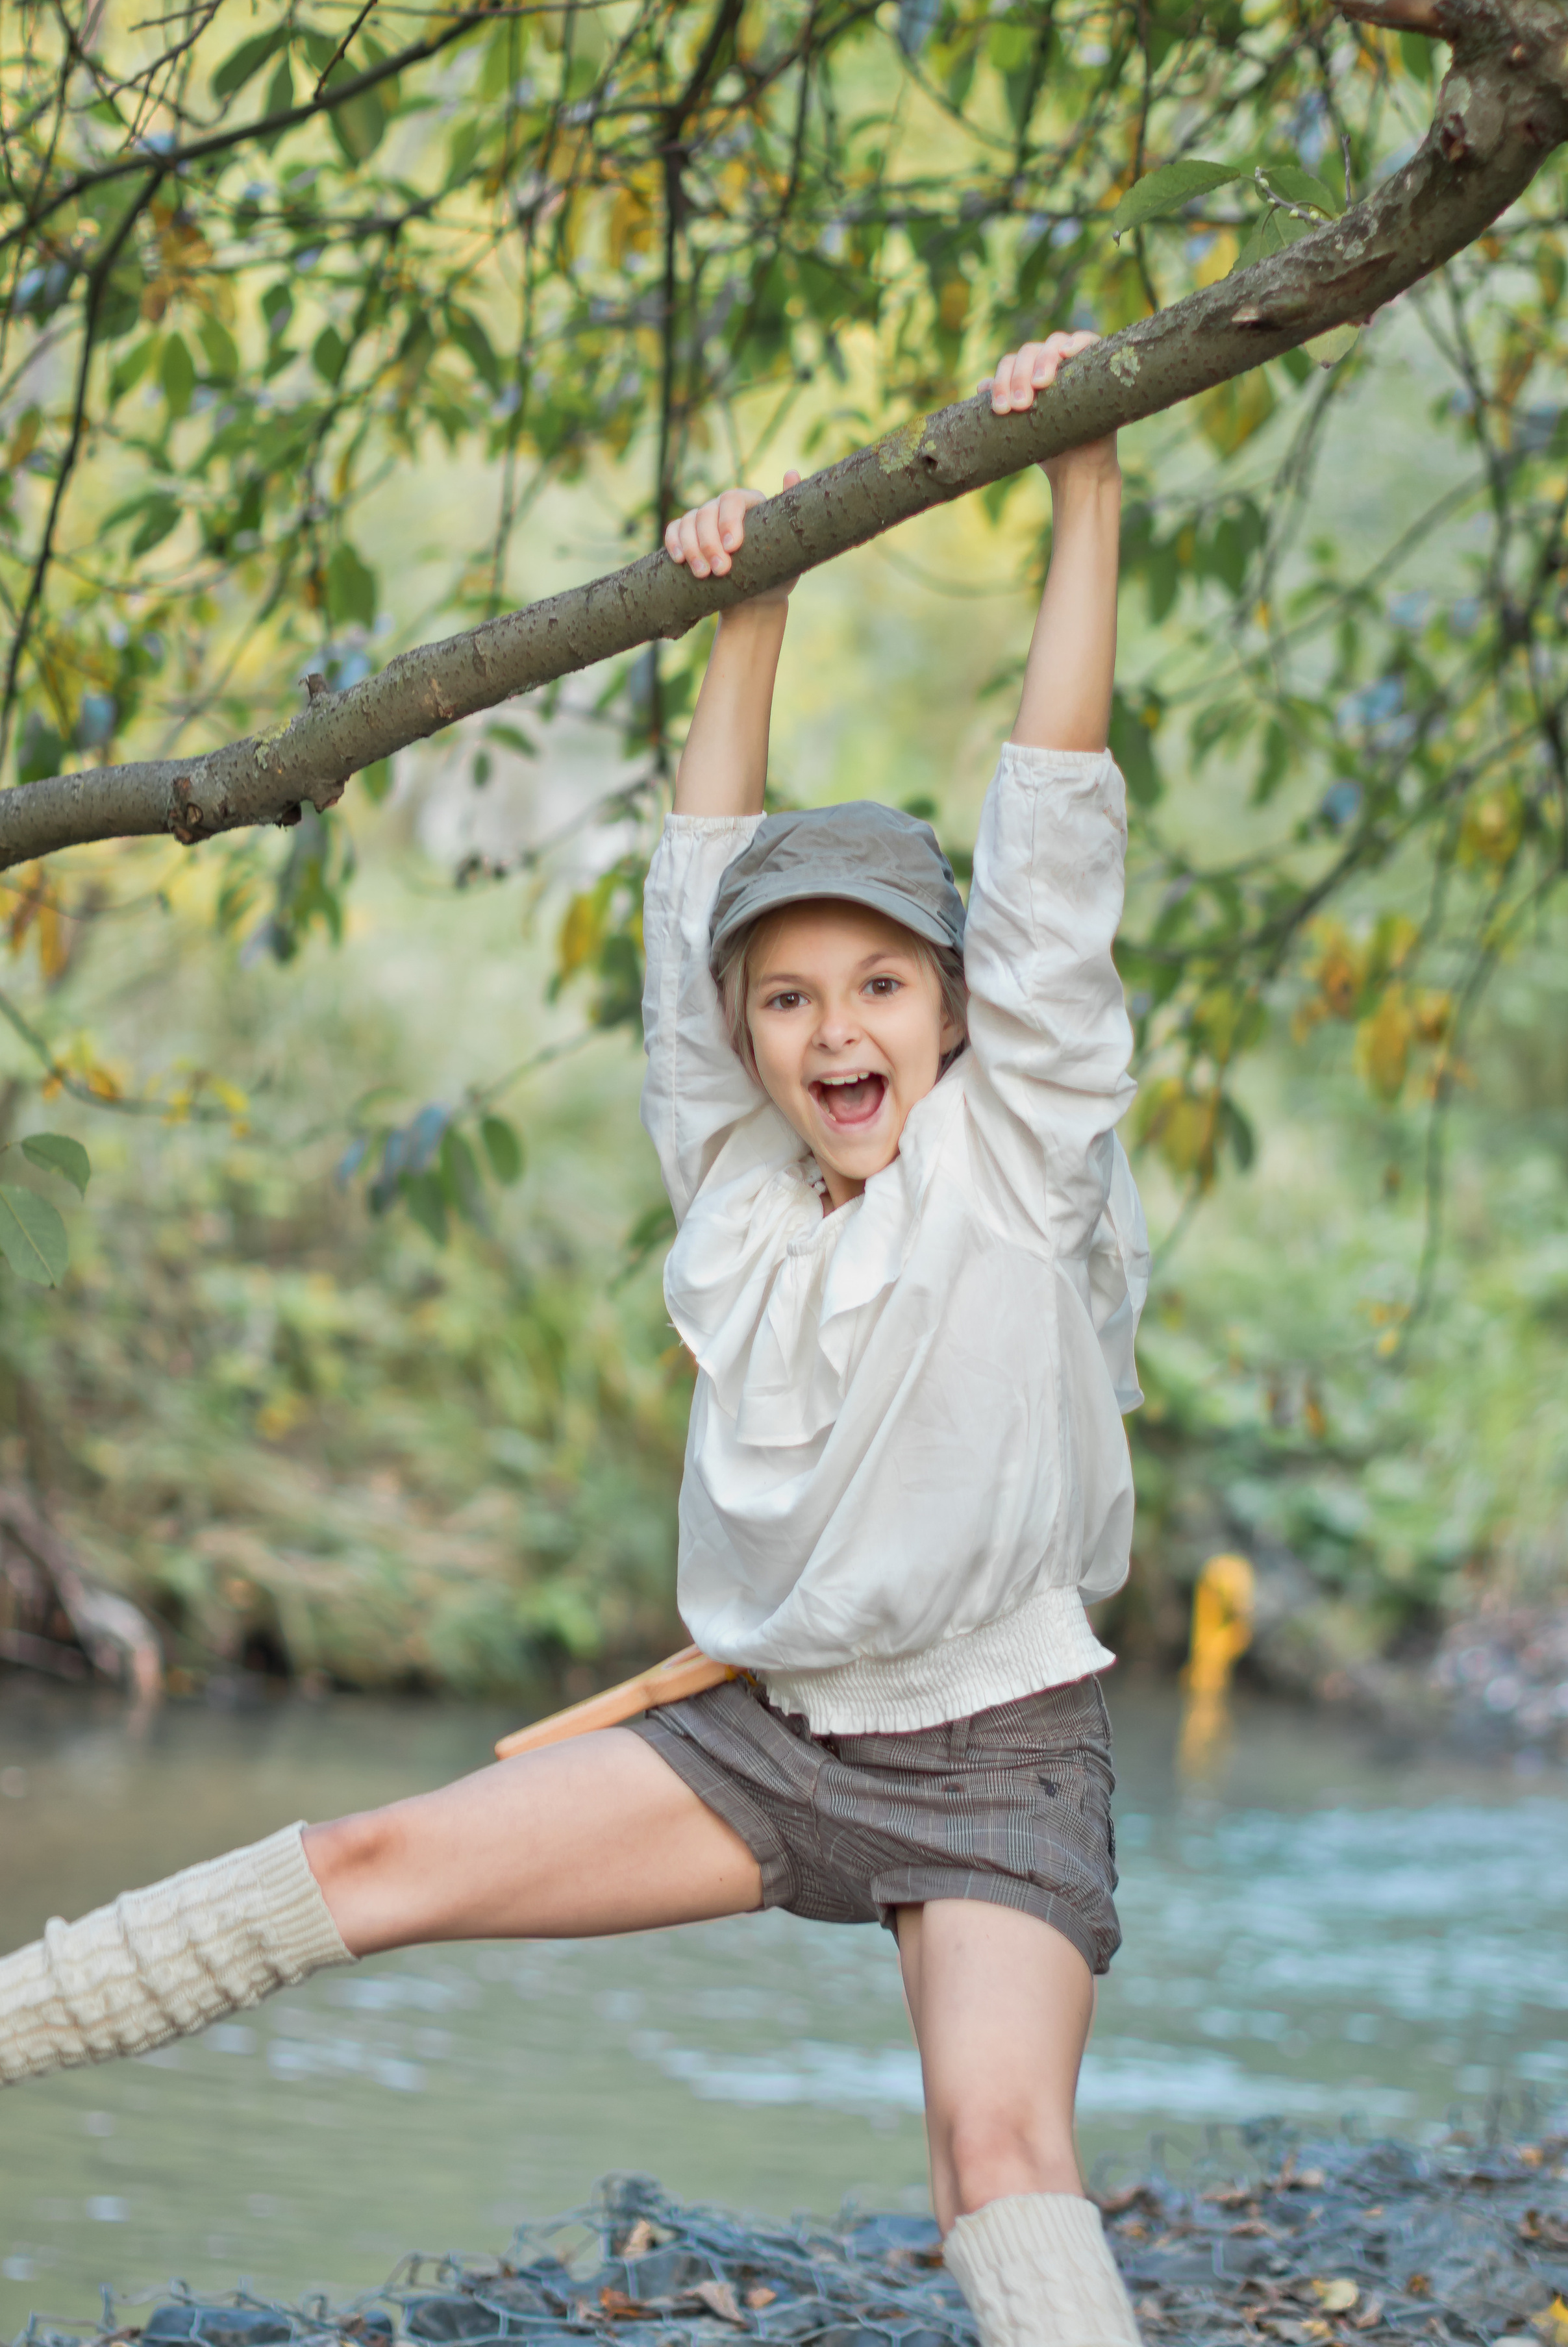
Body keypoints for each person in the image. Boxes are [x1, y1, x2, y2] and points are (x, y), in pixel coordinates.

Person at [0, 330, 1149, 2347]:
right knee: (365, 1856)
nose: (836, 1031)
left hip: (992, 1747)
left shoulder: (1021, 1146)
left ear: (956, 1015)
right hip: (756, 1731)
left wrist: (1086, 475)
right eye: (789, 1003)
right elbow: (687, 901)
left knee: (997, 2156)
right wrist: (754, 598)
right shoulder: (730, 1175)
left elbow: (1052, 834)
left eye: (883, 984)